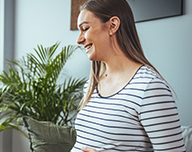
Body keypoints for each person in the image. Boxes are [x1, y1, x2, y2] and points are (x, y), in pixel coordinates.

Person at [71, 0, 186, 151]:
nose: (79, 40)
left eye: (85, 28)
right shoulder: (92, 85)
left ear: (112, 26)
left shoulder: (149, 87)